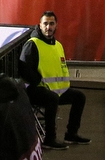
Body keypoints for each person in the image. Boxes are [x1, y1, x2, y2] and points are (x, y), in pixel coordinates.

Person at [19, 10, 90, 149]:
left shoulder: (58, 45)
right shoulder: (32, 44)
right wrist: (39, 81)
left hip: (55, 90)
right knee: (52, 99)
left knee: (79, 97)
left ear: (56, 25)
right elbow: (24, 70)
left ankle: (71, 134)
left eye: (51, 24)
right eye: (45, 24)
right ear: (39, 25)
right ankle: (49, 139)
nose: (48, 27)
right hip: (35, 90)